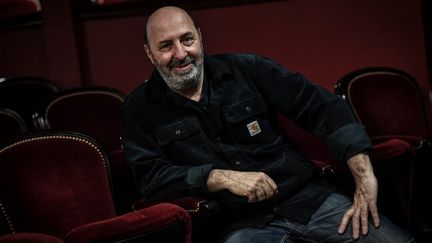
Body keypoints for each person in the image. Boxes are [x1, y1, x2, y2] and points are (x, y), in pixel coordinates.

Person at [120, 6, 415, 243]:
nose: (181, 53)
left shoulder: (247, 69)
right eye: (166, 46)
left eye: (187, 39)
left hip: (309, 200)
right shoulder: (138, 108)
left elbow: (320, 106)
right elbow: (151, 176)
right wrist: (222, 177)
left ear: (200, 36)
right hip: (239, 225)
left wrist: (363, 175)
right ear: (149, 52)